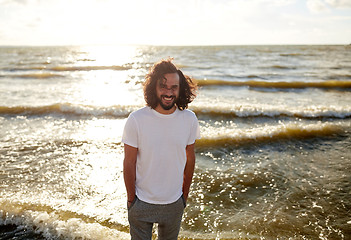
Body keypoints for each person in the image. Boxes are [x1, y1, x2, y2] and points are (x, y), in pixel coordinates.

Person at [122, 59, 200, 240]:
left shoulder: (189, 119)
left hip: (174, 203)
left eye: (174, 87)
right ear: (153, 87)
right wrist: (131, 199)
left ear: (180, 89)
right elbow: (129, 162)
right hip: (141, 202)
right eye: (163, 86)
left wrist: (184, 196)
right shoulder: (137, 119)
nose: (168, 92)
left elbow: (190, 158)